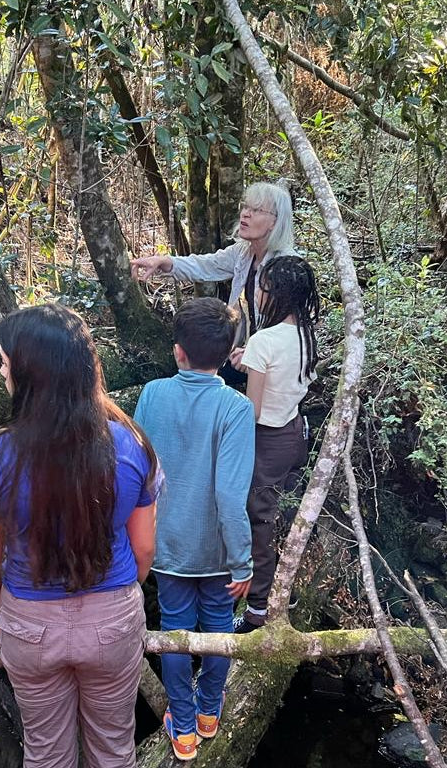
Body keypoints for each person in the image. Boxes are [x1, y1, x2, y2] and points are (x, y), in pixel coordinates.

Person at [0, 304, 159, 768]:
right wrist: (119, 596)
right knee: (114, 749)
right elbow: (144, 548)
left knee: (47, 753)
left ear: (31, 374)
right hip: (112, 621)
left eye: (5, 362)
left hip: (29, 626)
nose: (1, 371)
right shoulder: (130, 444)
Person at [134, 297, 255, 761]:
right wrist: (242, 560)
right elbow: (230, 495)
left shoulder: (152, 394)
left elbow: (138, 471)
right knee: (219, 625)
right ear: (227, 355)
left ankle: (183, 728)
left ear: (178, 351)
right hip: (217, 549)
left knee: (176, 629)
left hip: (164, 543)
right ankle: (208, 713)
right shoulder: (236, 408)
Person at [130, 181, 298, 381]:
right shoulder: (244, 251)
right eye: (245, 207)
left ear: (275, 222)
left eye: (256, 210)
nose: (245, 214)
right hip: (242, 352)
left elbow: (292, 329)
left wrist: (256, 353)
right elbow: (206, 265)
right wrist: (164, 262)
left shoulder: (288, 267)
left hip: (275, 363)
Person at [232, 256, 319, 634]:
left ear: (275, 294)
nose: (257, 294)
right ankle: (289, 591)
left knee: (261, 523)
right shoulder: (306, 334)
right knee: (286, 517)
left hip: (266, 441)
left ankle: (257, 611)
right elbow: (286, 380)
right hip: (295, 433)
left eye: (262, 288)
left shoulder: (264, 340)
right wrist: (250, 363)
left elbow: (252, 411)